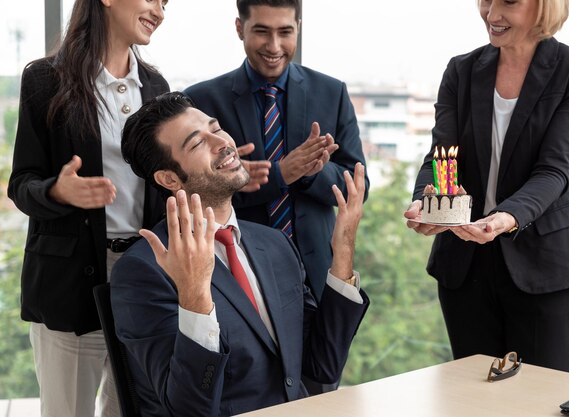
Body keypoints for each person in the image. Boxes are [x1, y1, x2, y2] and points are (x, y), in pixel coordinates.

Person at [110, 92, 369, 416]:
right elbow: (188, 409)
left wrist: (343, 251)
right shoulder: (143, 271)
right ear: (169, 178)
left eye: (216, 129)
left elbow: (322, 369)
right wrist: (194, 296)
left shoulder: (275, 244)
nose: (221, 143)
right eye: (196, 143)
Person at [404, 0, 569, 373]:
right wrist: (424, 202)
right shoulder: (461, 71)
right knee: (474, 400)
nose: (492, 14)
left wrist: (503, 218)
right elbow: (440, 159)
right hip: (465, 268)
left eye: (508, 2)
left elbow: (555, 172)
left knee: (537, 403)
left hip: (545, 267)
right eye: (485, 0)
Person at [7, 1, 170, 415]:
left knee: (133, 409)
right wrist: (58, 193)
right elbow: (21, 184)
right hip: (69, 283)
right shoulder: (45, 79)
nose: (160, 10)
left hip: (141, 279)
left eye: (166, 3)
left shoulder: (156, 87)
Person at [184, 0, 369, 305]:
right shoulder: (202, 101)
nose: (274, 45)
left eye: (285, 32)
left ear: (298, 29)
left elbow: (359, 189)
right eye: (261, 32)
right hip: (237, 275)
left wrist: (313, 171)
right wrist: (280, 173)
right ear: (240, 28)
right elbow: (194, 197)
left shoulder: (331, 92)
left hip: (321, 275)